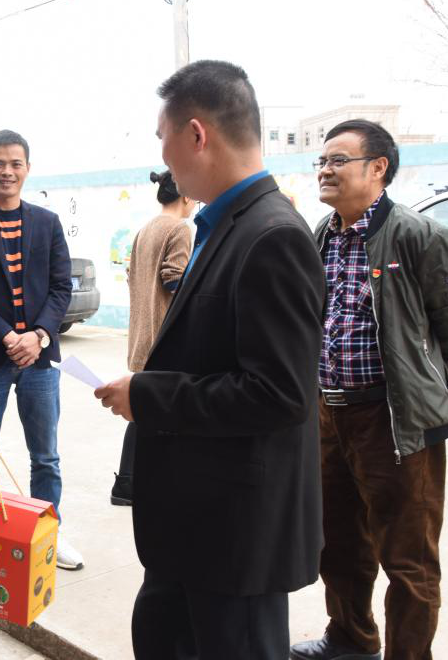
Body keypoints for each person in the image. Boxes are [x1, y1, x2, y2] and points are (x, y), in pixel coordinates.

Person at [94, 60, 325, 659]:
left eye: (162, 137)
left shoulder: (273, 235)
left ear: (196, 134)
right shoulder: (223, 226)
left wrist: (147, 394)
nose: (162, 156)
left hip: (235, 537)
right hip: (197, 524)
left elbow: (279, 394)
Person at [290, 121, 448, 660]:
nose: (325, 170)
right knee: (339, 544)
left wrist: (415, 377)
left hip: (394, 420)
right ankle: (351, 639)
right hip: (329, 414)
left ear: (378, 168)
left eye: (338, 160)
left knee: (408, 560)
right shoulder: (322, 234)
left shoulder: (419, 235)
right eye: (321, 161)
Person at [0, 130, 80, 570]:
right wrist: (8, 336)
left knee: (47, 457)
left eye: (15, 163)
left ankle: (48, 535)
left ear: (27, 168)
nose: (7, 171)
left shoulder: (47, 222)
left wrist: (38, 336)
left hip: (40, 360)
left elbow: (61, 287)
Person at [111, 169, 197, 506]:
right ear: (185, 196)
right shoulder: (180, 228)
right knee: (157, 411)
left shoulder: (144, 229)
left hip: (141, 339)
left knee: (144, 410)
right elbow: (174, 278)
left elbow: (132, 277)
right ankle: (133, 483)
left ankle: (128, 483)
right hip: (164, 339)